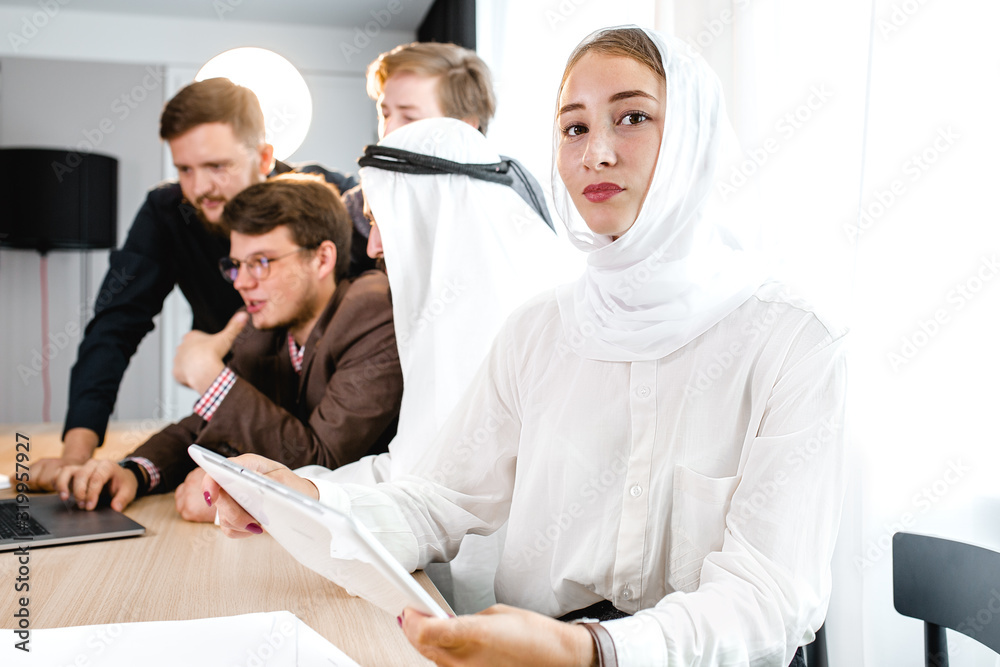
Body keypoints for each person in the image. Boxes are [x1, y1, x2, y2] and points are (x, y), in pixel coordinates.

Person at [206, 26, 847, 667]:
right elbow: (442, 497)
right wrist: (305, 499)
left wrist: (591, 651)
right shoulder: (537, 331)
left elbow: (770, 593)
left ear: (693, 138)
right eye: (574, 127)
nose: (595, 152)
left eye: (632, 117)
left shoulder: (788, 341)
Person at [27, 78, 358, 492]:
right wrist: (74, 459)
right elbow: (115, 324)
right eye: (185, 169)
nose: (200, 188)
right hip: (230, 405)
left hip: (328, 436)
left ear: (264, 157)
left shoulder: (323, 203)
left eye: (217, 166)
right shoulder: (169, 213)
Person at [55, 176, 402, 520]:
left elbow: (322, 461)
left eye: (262, 262)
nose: (242, 283)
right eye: (236, 265)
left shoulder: (371, 311)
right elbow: (209, 426)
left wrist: (210, 376)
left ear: (322, 259)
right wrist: (134, 471)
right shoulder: (262, 323)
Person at [343, 41, 555, 277]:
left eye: (409, 118)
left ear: (465, 125)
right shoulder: (360, 204)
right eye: (385, 114)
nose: (388, 132)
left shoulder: (510, 190)